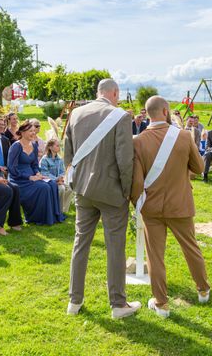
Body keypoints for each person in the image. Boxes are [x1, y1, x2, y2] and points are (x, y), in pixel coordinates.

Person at [64, 78, 140, 319]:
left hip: (83, 190)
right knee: (115, 247)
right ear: (115, 93)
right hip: (111, 190)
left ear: (98, 93)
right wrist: (127, 190)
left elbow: (68, 153)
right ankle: (118, 304)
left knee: (80, 244)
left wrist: (75, 181)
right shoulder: (120, 116)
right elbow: (125, 160)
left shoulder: (76, 113)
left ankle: (74, 301)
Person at [130, 96, 210, 318]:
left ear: (147, 114)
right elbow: (200, 167)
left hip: (151, 208)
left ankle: (161, 303)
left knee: (155, 256)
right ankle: (203, 290)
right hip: (180, 204)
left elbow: (136, 181)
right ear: (165, 111)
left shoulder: (138, 141)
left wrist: (137, 203)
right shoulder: (184, 136)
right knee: (191, 247)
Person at [7, 121, 65, 226]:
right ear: (22, 132)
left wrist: (37, 173)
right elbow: (12, 168)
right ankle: (36, 217)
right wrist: (29, 177)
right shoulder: (16, 146)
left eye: (34, 131)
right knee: (44, 188)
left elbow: (34, 164)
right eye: (30, 131)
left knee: (52, 184)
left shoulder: (34, 145)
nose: (34, 133)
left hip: (33, 175)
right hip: (19, 179)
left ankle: (52, 215)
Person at [40, 138, 73, 213]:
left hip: (59, 181)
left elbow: (62, 171)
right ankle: (58, 211)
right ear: (50, 147)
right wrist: (56, 179)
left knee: (70, 189)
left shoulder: (59, 159)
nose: (59, 147)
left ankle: (64, 210)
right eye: (57, 146)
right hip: (48, 181)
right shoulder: (45, 159)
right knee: (61, 189)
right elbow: (44, 173)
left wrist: (60, 178)